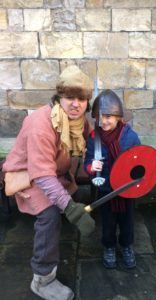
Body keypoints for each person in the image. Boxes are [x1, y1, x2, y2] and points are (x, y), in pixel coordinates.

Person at [3, 65, 95, 300]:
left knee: (66, 202)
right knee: (51, 215)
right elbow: (42, 174)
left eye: (82, 99)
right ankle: (42, 279)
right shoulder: (41, 124)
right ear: (59, 97)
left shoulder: (78, 121)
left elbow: (91, 141)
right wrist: (69, 208)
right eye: (70, 97)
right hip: (27, 175)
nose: (76, 104)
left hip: (54, 170)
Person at [84, 89, 141, 269]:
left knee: (127, 222)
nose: (104, 121)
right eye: (101, 117)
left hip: (126, 190)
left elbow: (139, 161)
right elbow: (88, 162)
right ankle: (108, 247)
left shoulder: (130, 137)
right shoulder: (94, 139)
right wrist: (92, 167)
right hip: (106, 189)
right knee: (107, 222)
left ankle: (126, 246)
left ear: (118, 117)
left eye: (109, 116)